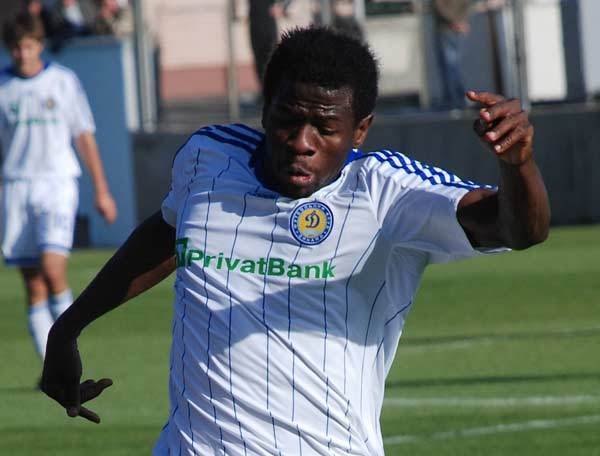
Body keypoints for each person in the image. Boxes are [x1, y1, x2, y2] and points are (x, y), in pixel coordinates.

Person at [41, 26, 549, 455]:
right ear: (266, 109)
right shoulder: (208, 158)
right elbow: (169, 232)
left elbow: (518, 230)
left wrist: (517, 165)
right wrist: (67, 328)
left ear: (360, 130)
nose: (302, 143)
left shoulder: (387, 193)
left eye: (325, 128)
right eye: (288, 120)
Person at [0, 13, 117, 366]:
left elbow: (84, 136)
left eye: (28, 46)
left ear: (39, 45)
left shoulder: (63, 82)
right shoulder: (3, 87)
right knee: (33, 283)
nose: (22, 54)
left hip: (56, 184)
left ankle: (69, 351)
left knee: (53, 271)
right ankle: (51, 366)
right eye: (16, 48)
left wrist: (102, 190)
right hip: (16, 186)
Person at [433, 0, 504, 109]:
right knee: (450, 67)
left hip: (454, 27)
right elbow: (441, 6)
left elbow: (465, 5)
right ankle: (455, 100)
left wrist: (461, 21)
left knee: (454, 66)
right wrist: (457, 21)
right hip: (447, 28)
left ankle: (457, 100)